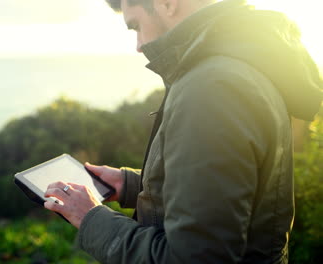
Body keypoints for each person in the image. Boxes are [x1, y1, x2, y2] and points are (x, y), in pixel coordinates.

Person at [44, 0, 323, 263]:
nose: (139, 45)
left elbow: (195, 257)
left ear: (167, 3)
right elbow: (232, 187)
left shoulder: (211, 88)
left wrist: (91, 218)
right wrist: (132, 186)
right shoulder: (238, 65)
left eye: (136, 25)